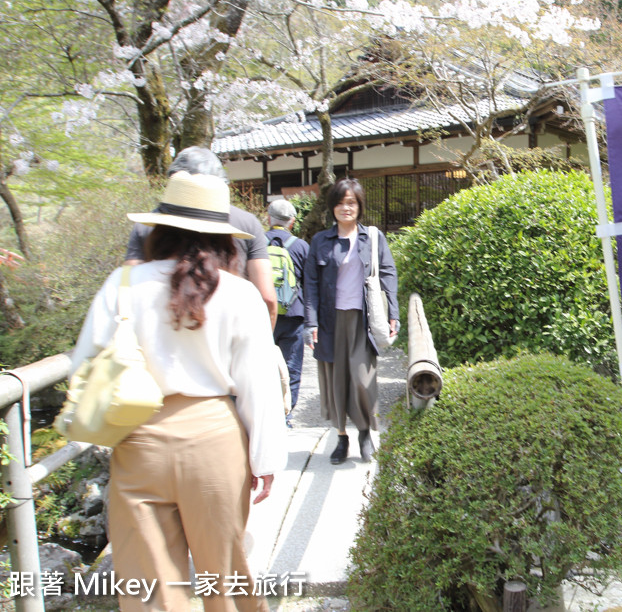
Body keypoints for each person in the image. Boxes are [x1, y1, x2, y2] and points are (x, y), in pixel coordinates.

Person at [71, 172, 287, 612]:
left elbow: (83, 366)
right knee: (223, 581)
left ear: (159, 229)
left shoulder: (122, 285)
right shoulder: (240, 294)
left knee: (150, 591)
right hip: (215, 441)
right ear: (224, 239)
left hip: (139, 441)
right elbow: (258, 384)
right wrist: (266, 459)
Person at [125, 146, 278, 325]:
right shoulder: (248, 223)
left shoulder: (145, 226)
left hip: (152, 327)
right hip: (228, 327)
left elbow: (128, 284)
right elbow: (267, 296)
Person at [304, 178, 398, 464]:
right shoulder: (320, 240)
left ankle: (365, 432)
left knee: (363, 378)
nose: (346, 208)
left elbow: (388, 273)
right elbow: (310, 282)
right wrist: (311, 322)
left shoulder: (372, 237)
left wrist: (393, 312)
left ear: (359, 206)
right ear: (332, 206)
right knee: (335, 381)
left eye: (352, 203)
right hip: (330, 320)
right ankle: (342, 438)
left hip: (362, 320)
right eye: (341, 203)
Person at [266, 198, 309, 427]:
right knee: (292, 367)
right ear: (292, 222)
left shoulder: (256, 243)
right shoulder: (301, 246)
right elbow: (310, 285)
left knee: (261, 364)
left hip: (262, 315)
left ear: (268, 217)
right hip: (293, 315)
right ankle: (285, 415)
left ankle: (263, 413)